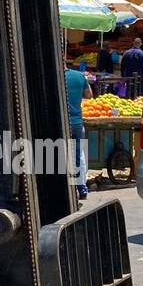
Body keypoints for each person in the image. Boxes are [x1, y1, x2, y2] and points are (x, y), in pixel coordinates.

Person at [64, 62, 93, 201]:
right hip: (76, 122)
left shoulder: (53, 76)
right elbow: (89, 95)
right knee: (78, 153)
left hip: (61, 122)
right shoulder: (79, 76)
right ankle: (81, 187)